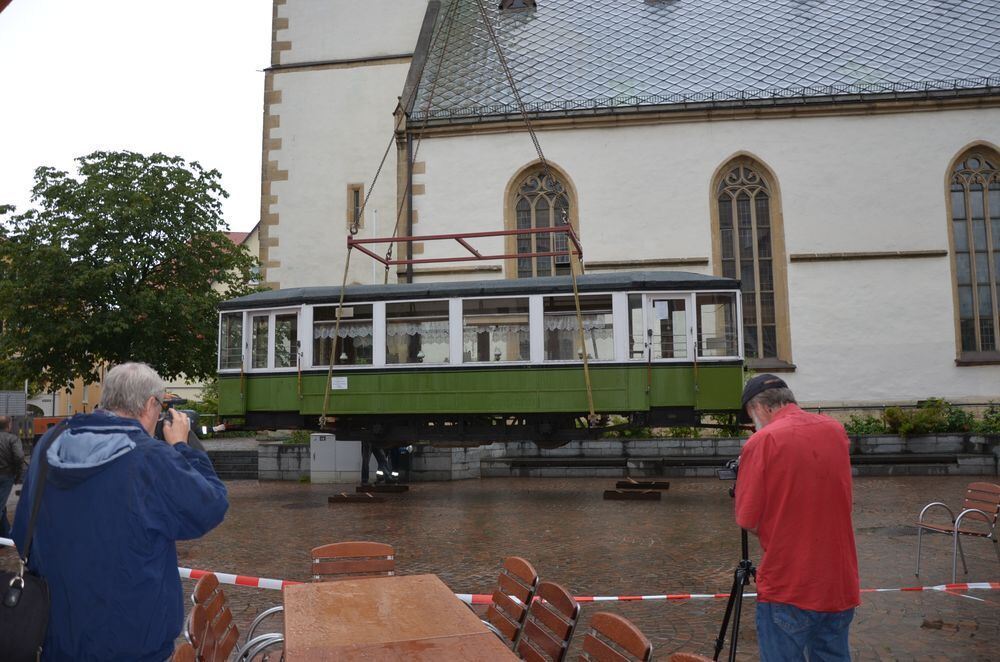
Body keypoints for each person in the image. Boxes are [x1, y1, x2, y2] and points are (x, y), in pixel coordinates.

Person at [11, 363, 229, 662]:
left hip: (57, 636)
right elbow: (211, 505)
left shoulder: (51, 444)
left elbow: (23, 531)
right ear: (151, 404)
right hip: (132, 641)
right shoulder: (149, 458)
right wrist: (182, 445)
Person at [734, 374, 860, 661]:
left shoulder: (762, 440)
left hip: (789, 584)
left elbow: (747, 519)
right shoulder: (834, 430)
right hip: (838, 583)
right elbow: (842, 501)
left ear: (759, 408)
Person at [0, 414, 26, 538]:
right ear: (9, 425)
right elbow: (20, 456)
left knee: (2, 504)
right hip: (6, 475)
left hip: (6, 474)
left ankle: (6, 535)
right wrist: (18, 474)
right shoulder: (13, 439)